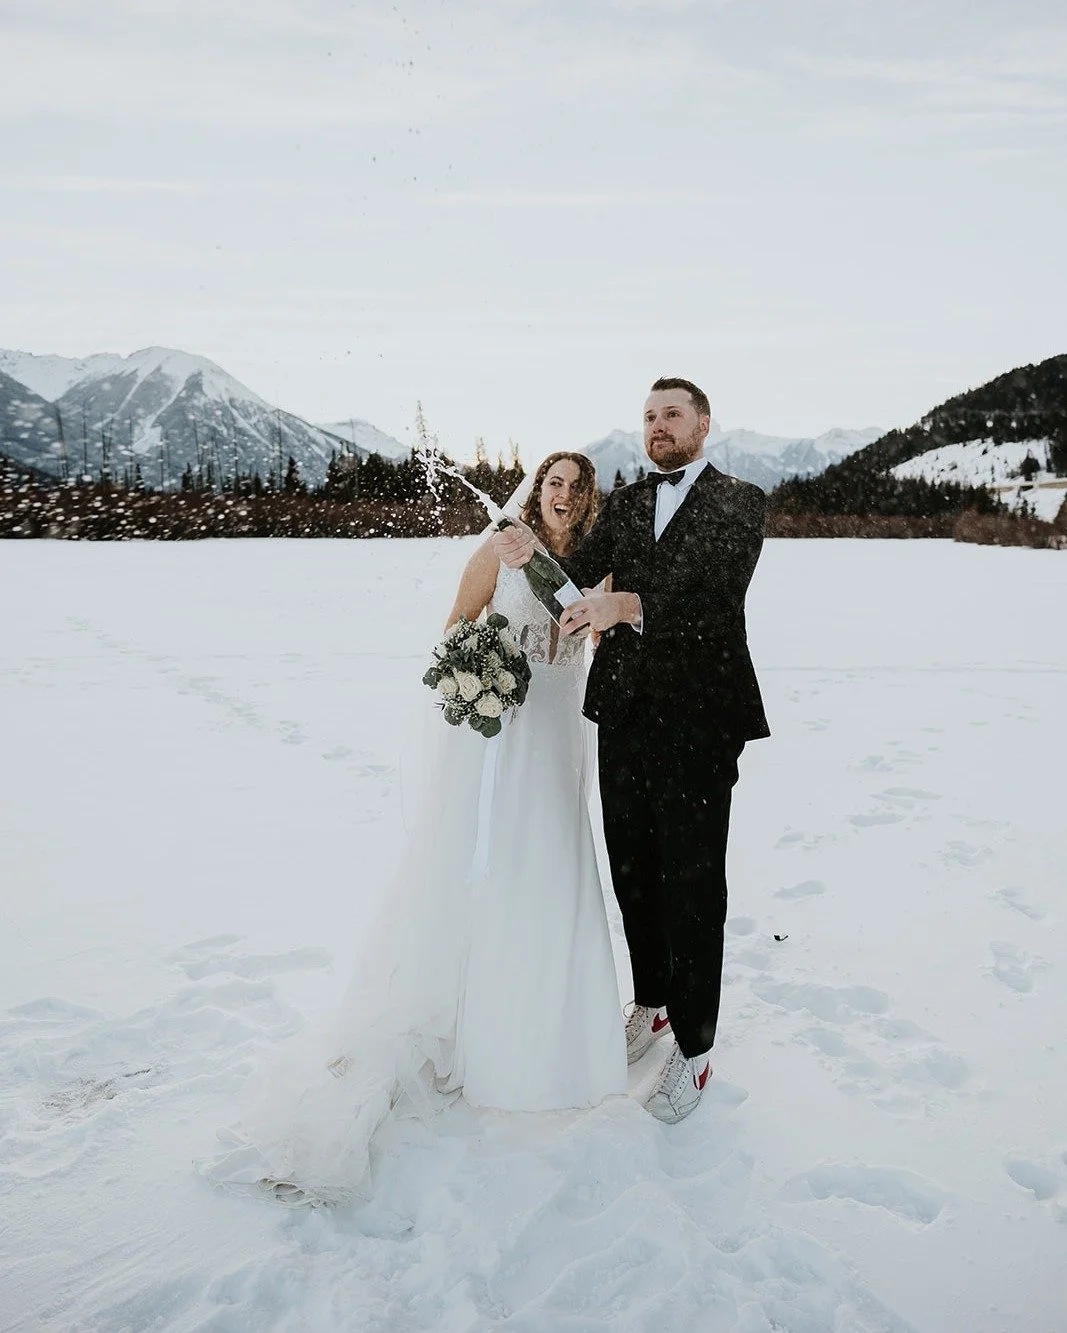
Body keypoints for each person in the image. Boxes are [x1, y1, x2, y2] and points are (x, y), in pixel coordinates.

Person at [198, 451, 626, 1206]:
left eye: (576, 486)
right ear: (538, 490)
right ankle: (478, 1031)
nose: (563, 494)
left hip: (563, 734)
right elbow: (457, 625)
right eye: (553, 482)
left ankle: (549, 1037)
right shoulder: (501, 544)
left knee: (554, 868)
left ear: (589, 500)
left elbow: (598, 639)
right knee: (494, 866)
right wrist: (484, 670)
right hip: (510, 734)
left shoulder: (596, 561)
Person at [492, 377, 769, 1124]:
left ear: (703, 423)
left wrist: (630, 605)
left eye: (671, 413)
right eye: (647, 416)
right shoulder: (625, 503)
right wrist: (532, 558)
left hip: (699, 720)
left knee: (691, 880)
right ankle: (650, 1003)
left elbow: (713, 596)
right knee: (632, 870)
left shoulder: (739, 501)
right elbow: (573, 588)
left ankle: (696, 1047)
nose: (657, 426)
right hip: (621, 715)